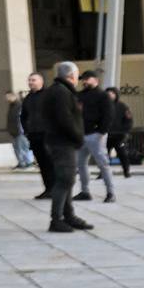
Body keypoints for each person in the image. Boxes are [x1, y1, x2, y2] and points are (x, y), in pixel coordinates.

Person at [43, 62, 91, 233]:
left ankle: (69, 216)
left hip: (62, 141)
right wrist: (78, 137)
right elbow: (65, 120)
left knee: (67, 180)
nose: (78, 79)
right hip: (62, 142)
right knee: (65, 179)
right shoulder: (61, 93)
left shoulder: (60, 90)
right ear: (71, 76)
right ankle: (56, 219)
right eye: (77, 76)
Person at [74, 71, 117, 203]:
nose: (84, 81)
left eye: (87, 79)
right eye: (83, 79)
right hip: (81, 134)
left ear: (96, 80)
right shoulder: (79, 95)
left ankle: (110, 192)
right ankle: (85, 191)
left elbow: (108, 115)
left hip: (95, 134)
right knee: (81, 164)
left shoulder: (103, 96)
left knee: (102, 164)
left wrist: (101, 131)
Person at [22, 73, 54, 199]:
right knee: (42, 164)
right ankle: (48, 188)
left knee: (50, 163)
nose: (30, 82)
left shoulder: (49, 95)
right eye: (29, 80)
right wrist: (26, 130)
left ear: (41, 81)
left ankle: (55, 189)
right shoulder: (28, 97)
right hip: (34, 135)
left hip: (47, 135)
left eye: (33, 80)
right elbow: (23, 116)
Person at [105, 87, 134, 178]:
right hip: (106, 135)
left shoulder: (123, 106)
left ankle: (126, 171)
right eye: (108, 94)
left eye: (111, 94)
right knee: (104, 156)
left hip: (119, 135)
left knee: (122, 154)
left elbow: (129, 121)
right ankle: (103, 173)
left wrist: (124, 131)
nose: (110, 96)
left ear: (116, 94)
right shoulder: (103, 106)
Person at [5, 90, 32, 170]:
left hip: (20, 130)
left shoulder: (19, 106)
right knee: (17, 147)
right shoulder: (12, 106)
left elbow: (21, 118)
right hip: (14, 130)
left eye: (8, 96)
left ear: (14, 96)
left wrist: (22, 129)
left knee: (22, 147)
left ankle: (27, 162)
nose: (7, 98)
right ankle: (22, 162)